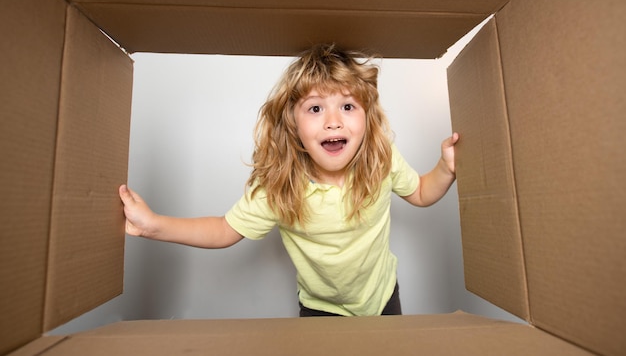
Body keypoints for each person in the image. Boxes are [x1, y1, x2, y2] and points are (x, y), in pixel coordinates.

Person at [119, 43, 459, 317]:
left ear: (367, 118)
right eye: (315, 109)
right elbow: (224, 229)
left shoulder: (381, 159)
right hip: (320, 309)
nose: (333, 122)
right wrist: (153, 225)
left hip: (383, 298)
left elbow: (420, 192)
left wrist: (445, 168)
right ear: (292, 124)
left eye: (348, 106)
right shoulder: (280, 185)